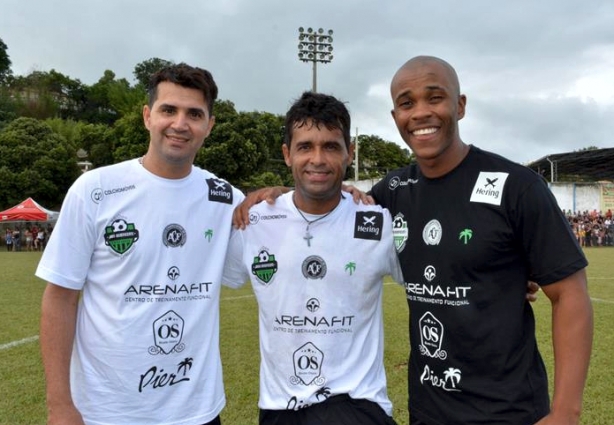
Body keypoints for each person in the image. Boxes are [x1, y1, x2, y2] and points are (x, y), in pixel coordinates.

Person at [233, 56, 593, 425]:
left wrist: (565, 411)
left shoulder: (515, 186)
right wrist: (276, 193)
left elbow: (570, 294)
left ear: (460, 105)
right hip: (429, 409)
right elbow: (333, 200)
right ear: (395, 117)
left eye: (434, 98)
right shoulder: (392, 193)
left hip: (509, 409)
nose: (420, 112)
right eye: (407, 103)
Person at [36, 63, 244, 425]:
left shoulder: (225, 198)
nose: (180, 124)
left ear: (209, 126)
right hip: (108, 412)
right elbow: (60, 296)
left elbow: (286, 222)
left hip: (195, 412)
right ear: (148, 116)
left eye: (194, 114)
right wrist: (60, 406)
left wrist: (344, 196)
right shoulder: (96, 190)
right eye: (169, 110)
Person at [222, 91, 402, 425]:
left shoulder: (378, 223)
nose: (318, 159)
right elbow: (203, 279)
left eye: (331, 146)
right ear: (287, 155)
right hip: (279, 410)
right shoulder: (254, 222)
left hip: (358, 406)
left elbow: (436, 278)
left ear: (349, 154)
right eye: (305, 147)